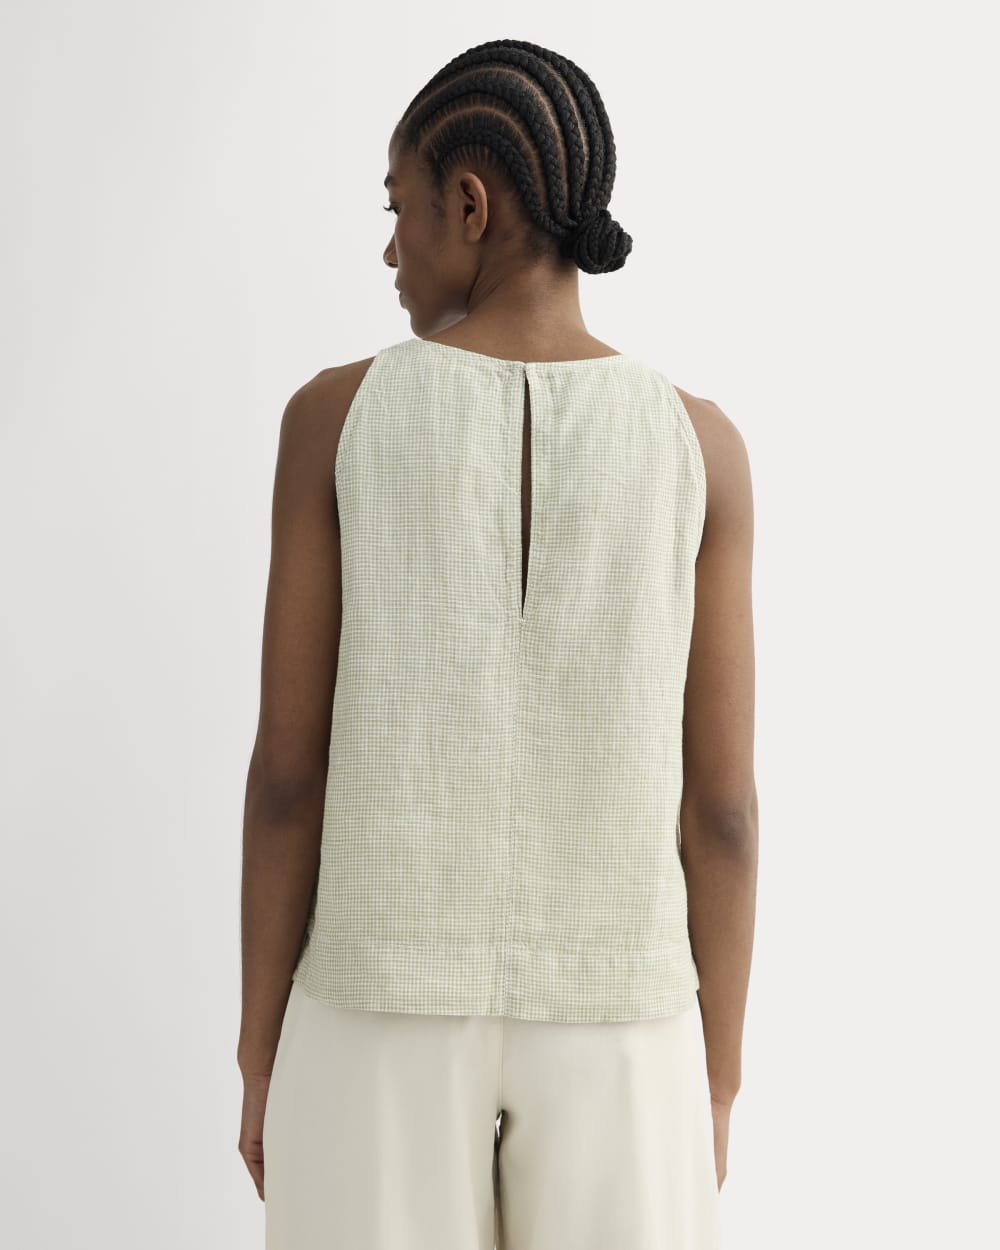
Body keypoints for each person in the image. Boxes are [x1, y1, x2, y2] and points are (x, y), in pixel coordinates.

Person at [237, 36, 757, 1250]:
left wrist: (261, 1048)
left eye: (399, 209)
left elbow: (286, 777)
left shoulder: (335, 419)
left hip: (375, 1003)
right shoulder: (701, 447)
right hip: (623, 1017)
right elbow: (723, 810)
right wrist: (715, 1077)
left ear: (469, 205)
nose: (390, 250)